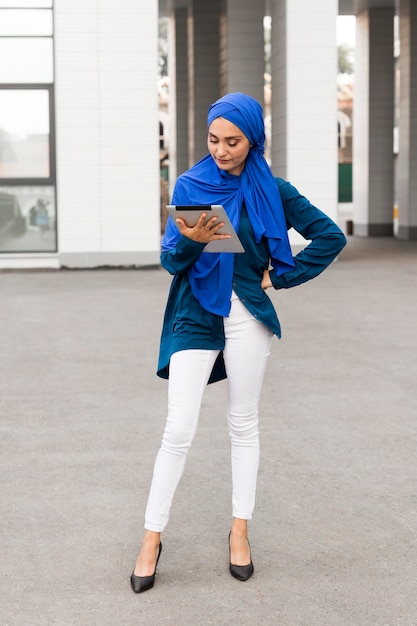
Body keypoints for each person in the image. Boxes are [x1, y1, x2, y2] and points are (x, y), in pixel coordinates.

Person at [130, 92, 347, 593]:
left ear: (253, 140)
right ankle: (150, 538)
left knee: (242, 423)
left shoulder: (274, 189)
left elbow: (329, 236)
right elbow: (170, 260)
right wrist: (193, 238)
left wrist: (279, 279)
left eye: (233, 141)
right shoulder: (191, 183)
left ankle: (240, 529)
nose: (222, 150)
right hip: (194, 313)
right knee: (178, 428)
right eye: (214, 140)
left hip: (247, 314)